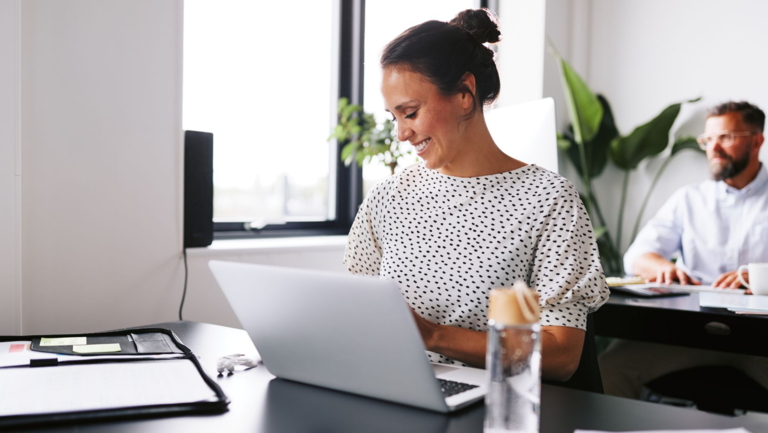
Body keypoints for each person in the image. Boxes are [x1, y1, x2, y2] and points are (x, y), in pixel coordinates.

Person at [342, 9, 609, 382]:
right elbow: (356, 310)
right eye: (394, 117)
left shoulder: (550, 200)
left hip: (497, 405)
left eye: (411, 113)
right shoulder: (387, 197)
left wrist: (434, 336)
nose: (402, 134)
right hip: (399, 390)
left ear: (465, 94)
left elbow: (562, 354)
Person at [601, 101, 768, 398]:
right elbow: (637, 256)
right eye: (708, 139)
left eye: (725, 137)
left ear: (757, 141)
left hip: (761, 342)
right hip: (688, 335)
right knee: (607, 370)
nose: (713, 148)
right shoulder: (689, 198)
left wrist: (752, 277)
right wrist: (663, 267)